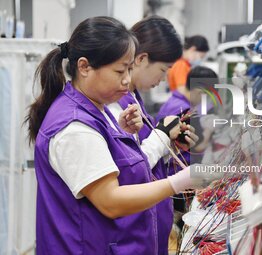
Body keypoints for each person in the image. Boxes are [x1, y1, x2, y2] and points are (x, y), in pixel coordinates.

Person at [25, 16, 210, 255]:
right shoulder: (73, 127)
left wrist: (122, 135)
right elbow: (110, 201)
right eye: (120, 70)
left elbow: (112, 167)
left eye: (130, 69)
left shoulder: (98, 111)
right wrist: (178, 182)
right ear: (84, 67)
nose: (126, 80)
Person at [108, 15, 200, 255]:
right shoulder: (113, 105)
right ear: (141, 59)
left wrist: (172, 145)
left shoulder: (133, 99)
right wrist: (161, 135)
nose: (161, 81)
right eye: (162, 70)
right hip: (129, 233)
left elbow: (144, 156)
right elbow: (129, 170)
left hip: (148, 227)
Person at [157, 66, 219, 229]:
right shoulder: (182, 110)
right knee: (180, 226)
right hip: (175, 179)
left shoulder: (176, 102)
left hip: (173, 177)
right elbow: (196, 146)